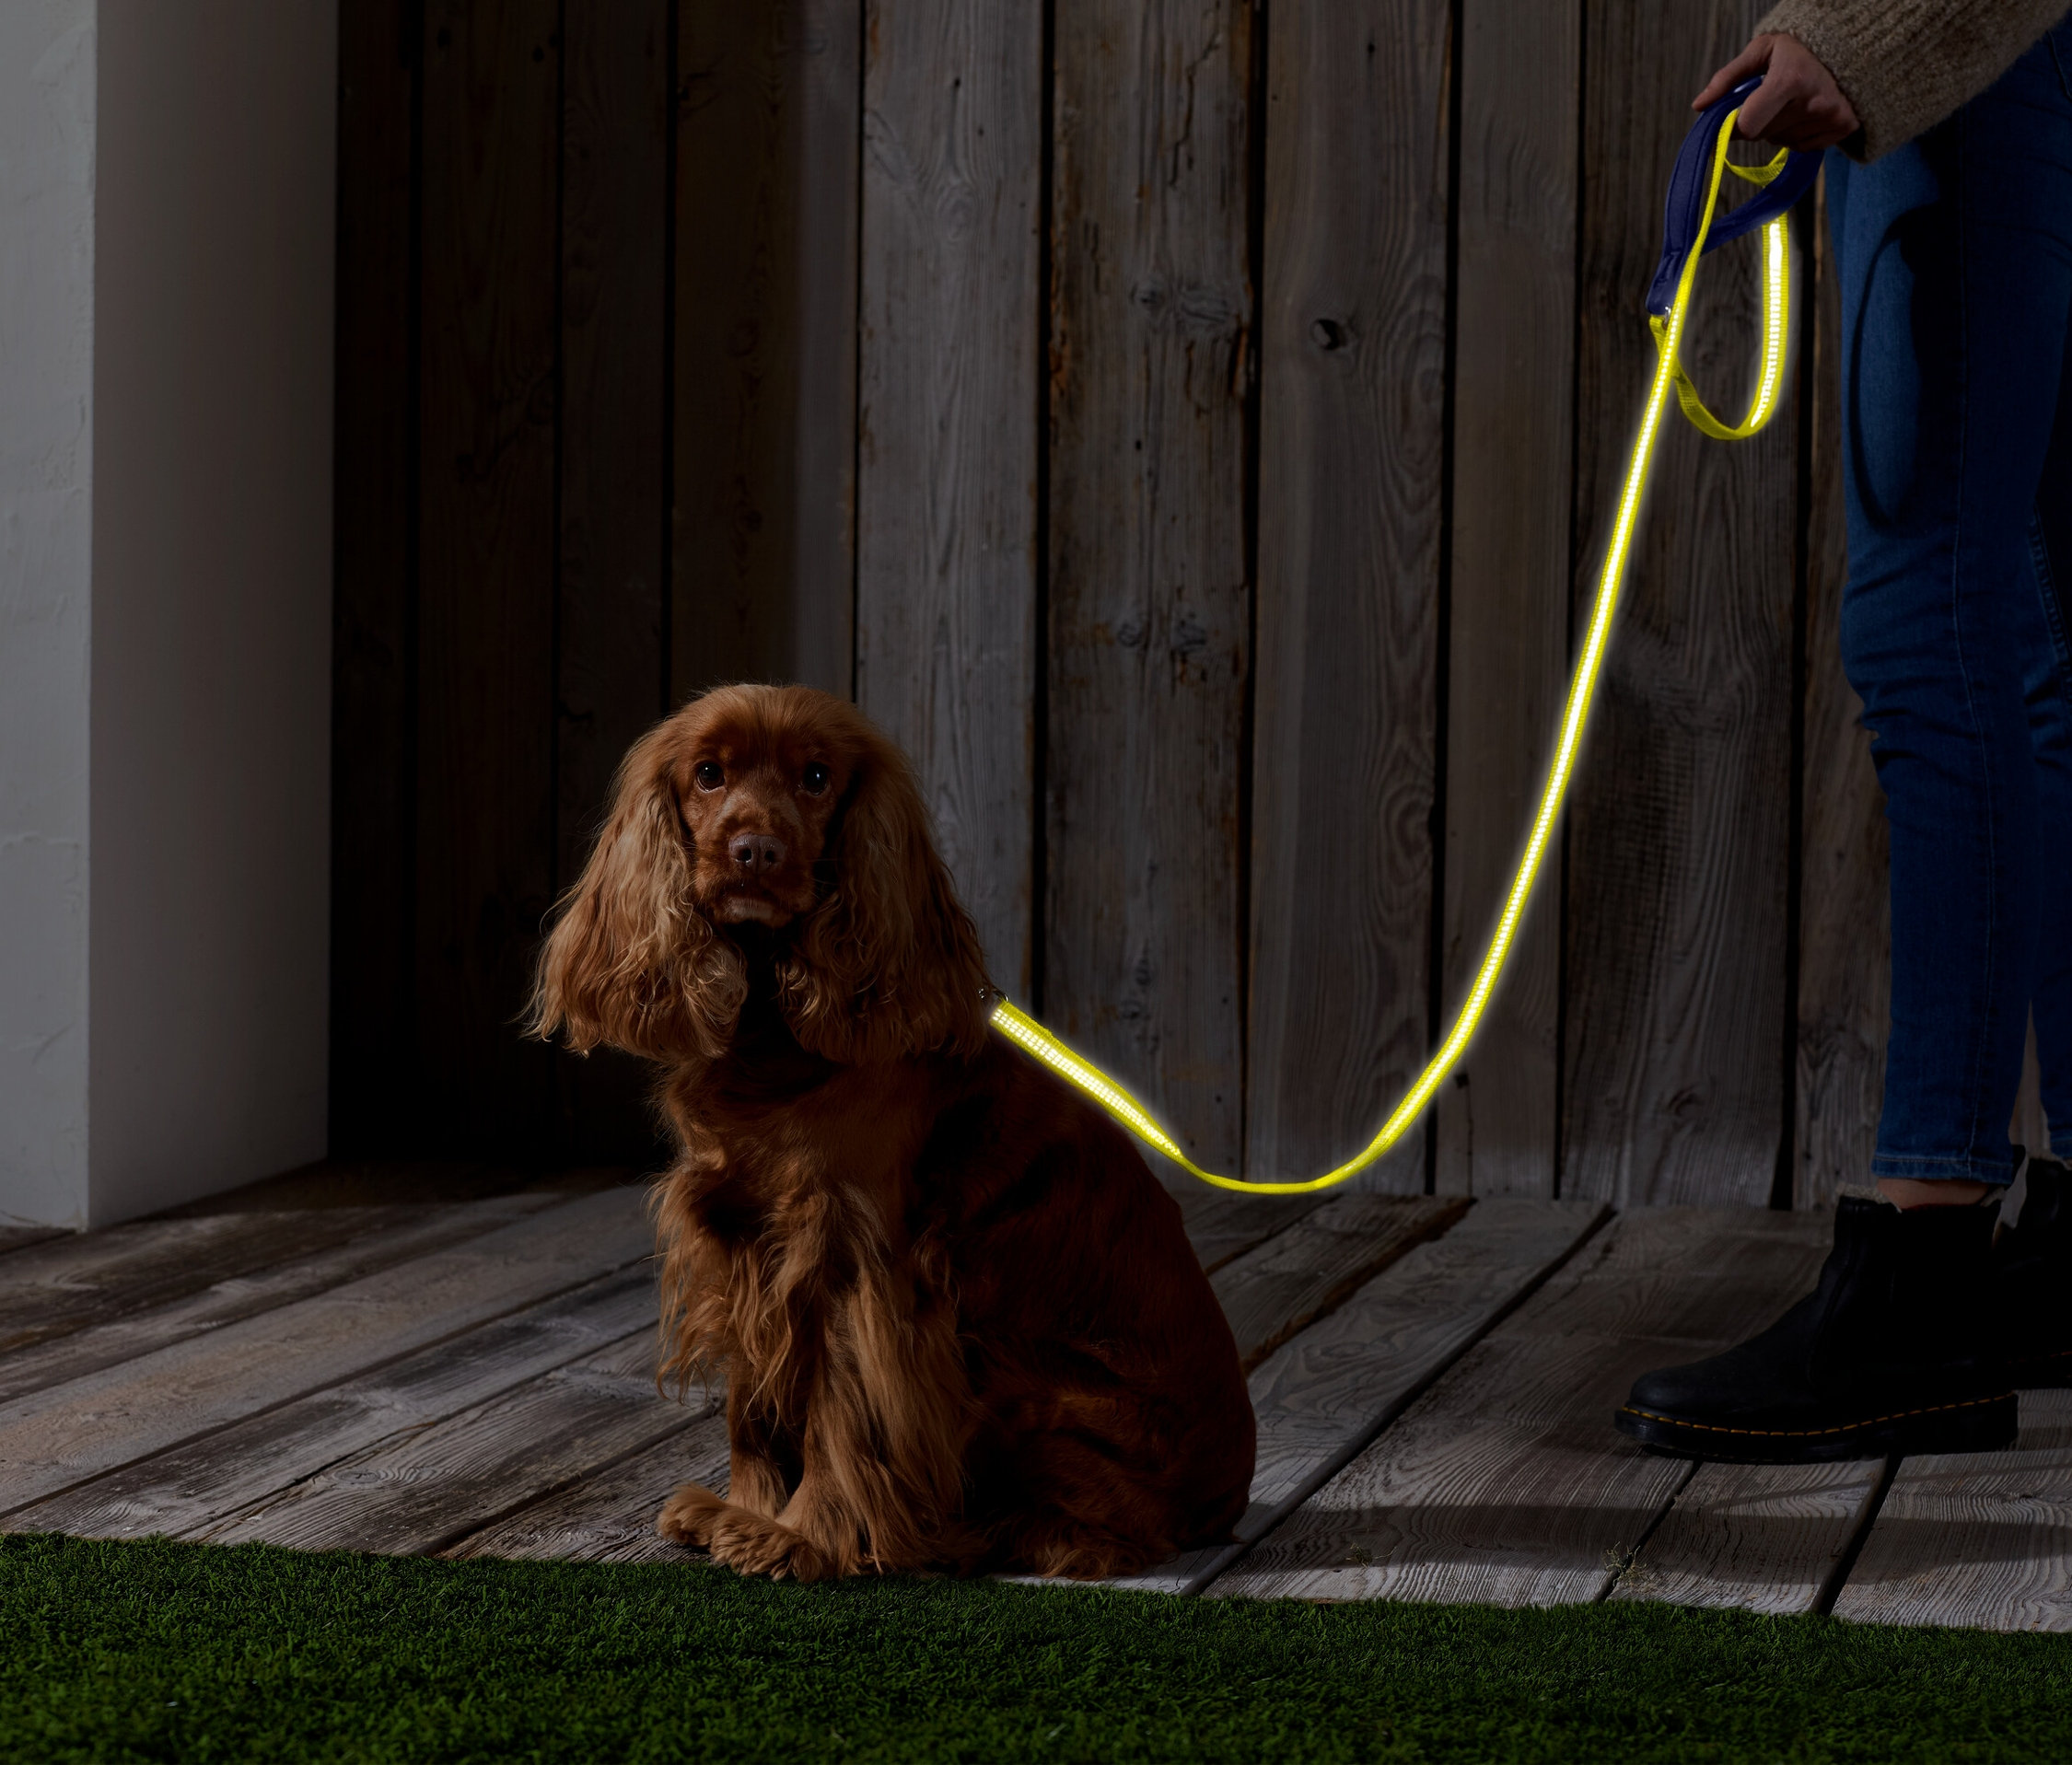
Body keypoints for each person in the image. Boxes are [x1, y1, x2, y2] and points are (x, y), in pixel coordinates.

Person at [1616, 4, 2072, 1463]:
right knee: (2040, 632)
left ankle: (1920, 1278)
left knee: (1928, 621)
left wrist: (1868, 28)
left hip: (1975, 66)